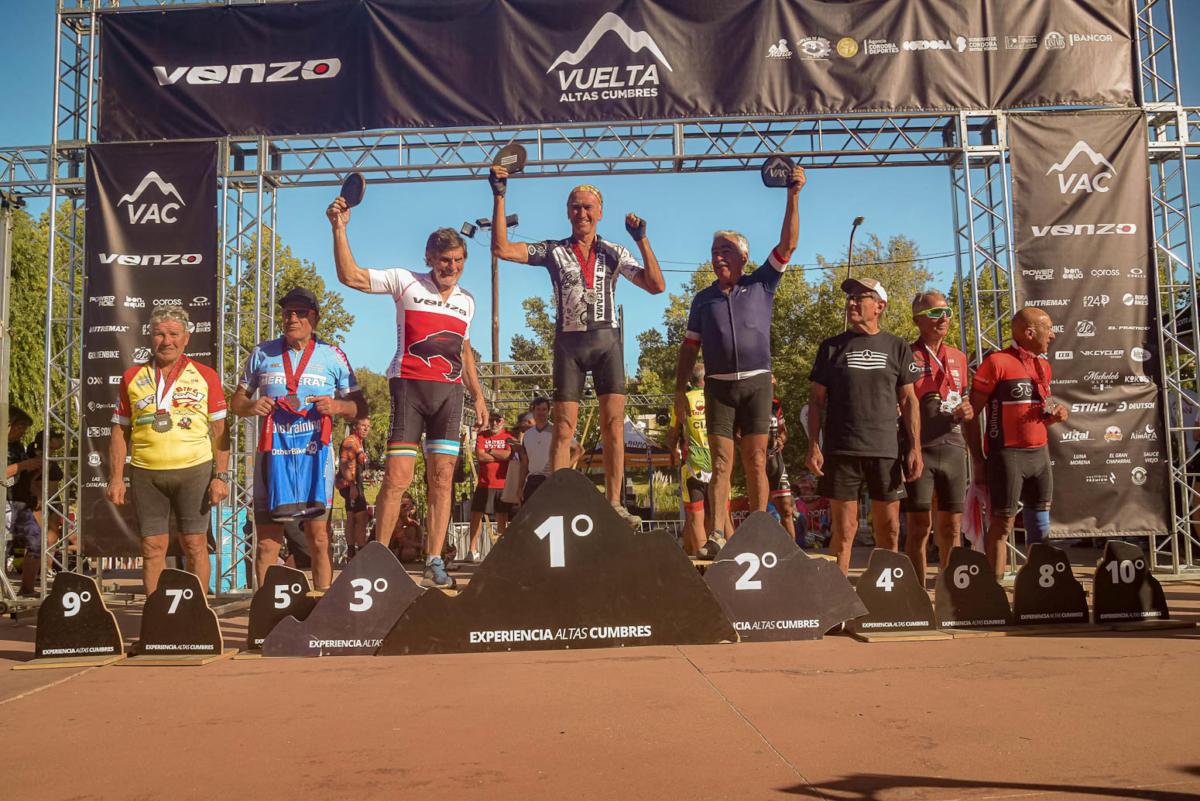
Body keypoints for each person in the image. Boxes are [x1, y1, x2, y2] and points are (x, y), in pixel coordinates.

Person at [327, 194, 488, 590]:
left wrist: (479, 395)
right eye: (445, 260)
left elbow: (464, 349)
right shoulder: (406, 281)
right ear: (429, 258)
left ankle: (434, 560)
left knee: (443, 479)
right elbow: (351, 276)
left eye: (459, 261)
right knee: (397, 477)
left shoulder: (467, 301)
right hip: (409, 388)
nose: (452, 267)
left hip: (449, 395)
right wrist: (339, 228)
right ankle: (378, 560)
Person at [489, 166, 664, 527]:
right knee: (564, 428)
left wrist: (642, 240)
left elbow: (655, 285)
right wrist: (499, 195)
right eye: (575, 207)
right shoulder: (554, 250)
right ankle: (560, 505)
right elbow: (502, 248)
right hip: (569, 345)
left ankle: (614, 504)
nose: (582, 213)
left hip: (606, 342)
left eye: (588, 207)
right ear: (567, 212)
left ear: (600, 212)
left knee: (613, 426)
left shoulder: (614, 252)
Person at [674, 165, 806, 559]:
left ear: (744, 257)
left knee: (756, 459)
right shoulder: (703, 299)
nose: (718, 257)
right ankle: (717, 534)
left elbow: (788, 243)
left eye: (726, 251)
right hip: (718, 386)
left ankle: (759, 531)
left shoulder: (761, 282)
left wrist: (793, 195)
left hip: (756, 382)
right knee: (720, 462)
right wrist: (679, 391)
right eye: (714, 252)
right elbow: (689, 349)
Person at [231, 287, 367, 591]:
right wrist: (252, 406)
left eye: (300, 312)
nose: (292, 318)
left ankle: (323, 607)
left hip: (314, 457)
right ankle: (266, 609)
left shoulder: (333, 355)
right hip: (272, 456)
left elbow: (360, 407)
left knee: (318, 538)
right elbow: (236, 401)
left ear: (313, 317)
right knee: (267, 543)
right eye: (286, 313)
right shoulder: (262, 353)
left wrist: (336, 406)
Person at [106, 306, 230, 596]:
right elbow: (120, 430)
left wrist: (221, 476)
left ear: (186, 337)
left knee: (195, 544)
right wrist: (116, 477)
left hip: (194, 471)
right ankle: (155, 614)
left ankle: (198, 611)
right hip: (146, 473)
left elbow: (220, 431)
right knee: (152, 547)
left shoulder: (206, 375)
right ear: (150, 337)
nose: (166, 341)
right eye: (159, 334)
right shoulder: (132, 376)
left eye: (174, 334)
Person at [806, 278, 923, 575]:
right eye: (850, 297)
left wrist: (915, 448)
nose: (852, 302)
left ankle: (887, 594)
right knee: (844, 530)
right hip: (842, 450)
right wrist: (814, 445)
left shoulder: (897, 346)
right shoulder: (830, 347)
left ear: (879, 306)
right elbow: (816, 402)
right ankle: (838, 597)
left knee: (890, 530)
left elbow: (909, 401)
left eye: (861, 297)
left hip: (885, 450)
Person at [967, 307, 1068, 578]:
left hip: (1039, 454)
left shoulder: (1043, 366)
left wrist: (1054, 416)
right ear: (1029, 332)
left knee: (1040, 523)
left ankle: (1040, 587)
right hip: (1007, 456)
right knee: (1002, 525)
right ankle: (994, 589)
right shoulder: (996, 362)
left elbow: (1038, 415)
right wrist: (977, 459)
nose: (1053, 334)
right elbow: (970, 414)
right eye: (1049, 328)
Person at [902, 290, 974, 587]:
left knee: (952, 527)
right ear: (917, 319)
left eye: (947, 312)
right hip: (921, 448)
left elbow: (964, 398)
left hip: (954, 447)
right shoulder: (906, 354)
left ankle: (950, 590)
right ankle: (916, 591)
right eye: (935, 313)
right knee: (919, 526)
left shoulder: (958, 357)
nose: (943, 318)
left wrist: (968, 408)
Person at [665, 364, 715, 557]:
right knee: (720, 516)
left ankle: (704, 565)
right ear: (705, 379)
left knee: (695, 516)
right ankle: (728, 561)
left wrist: (673, 449)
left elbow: (671, 436)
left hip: (693, 463)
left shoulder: (683, 400)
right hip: (718, 463)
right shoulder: (716, 398)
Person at [6, 407, 44, 595]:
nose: (22, 431)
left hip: (21, 502)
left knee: (37, 541)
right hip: (4, 502)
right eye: (19, 426)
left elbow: (22, 475)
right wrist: (24, 465)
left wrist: (34, 471)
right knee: (4, 546)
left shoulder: (18, 447)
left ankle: (27, 588)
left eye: (25, 428)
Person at [467, 411, 514, 562]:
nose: (494, 423)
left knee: (502, 518)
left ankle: (501, 551)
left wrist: (490, 451)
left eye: (497, 420)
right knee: (476, 516)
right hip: (484, 483)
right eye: (492, 420)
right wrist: (499, 455)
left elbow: (509, 455)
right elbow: (480, 456)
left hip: (502, 483)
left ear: (503, 421)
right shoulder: (482, 435)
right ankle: (472, 550)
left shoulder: (508, 436)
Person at [522, 396, 581, 502]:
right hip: (531, 481)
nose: (541, 412)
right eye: (538, 409)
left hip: (550, 480)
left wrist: (563, 468)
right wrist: (519, 487)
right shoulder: (527, 435)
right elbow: (525, 462)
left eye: (544, 409)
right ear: (533, 411)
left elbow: (579, 450)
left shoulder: (557, 431)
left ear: (549, 412)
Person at [337, 417, 371, 560]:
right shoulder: (350, 442)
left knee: (353, 517)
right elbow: (344, 464)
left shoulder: (359, 442)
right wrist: (352, 486)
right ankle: (359, 553)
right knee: (360, 519)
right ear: (355, 427)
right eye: (363, 425)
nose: (366, 428)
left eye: (368, 426)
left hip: (355, 484)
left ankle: (352, 554)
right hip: (351, 484)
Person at [766, 394, 797, 541]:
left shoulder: (775, 404)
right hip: (757, 463)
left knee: (786, 509)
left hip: (776, 461)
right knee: (759, 512)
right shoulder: (747, 399)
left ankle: (793, 550)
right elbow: (737, 434)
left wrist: (780, 439)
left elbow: (784, 431)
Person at [499, 411, 534, 515]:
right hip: (525, 475)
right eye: (518, 429)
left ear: (528, 422)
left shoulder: (539, 434)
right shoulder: (528, 436)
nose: (521, 430)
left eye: (521, 427)